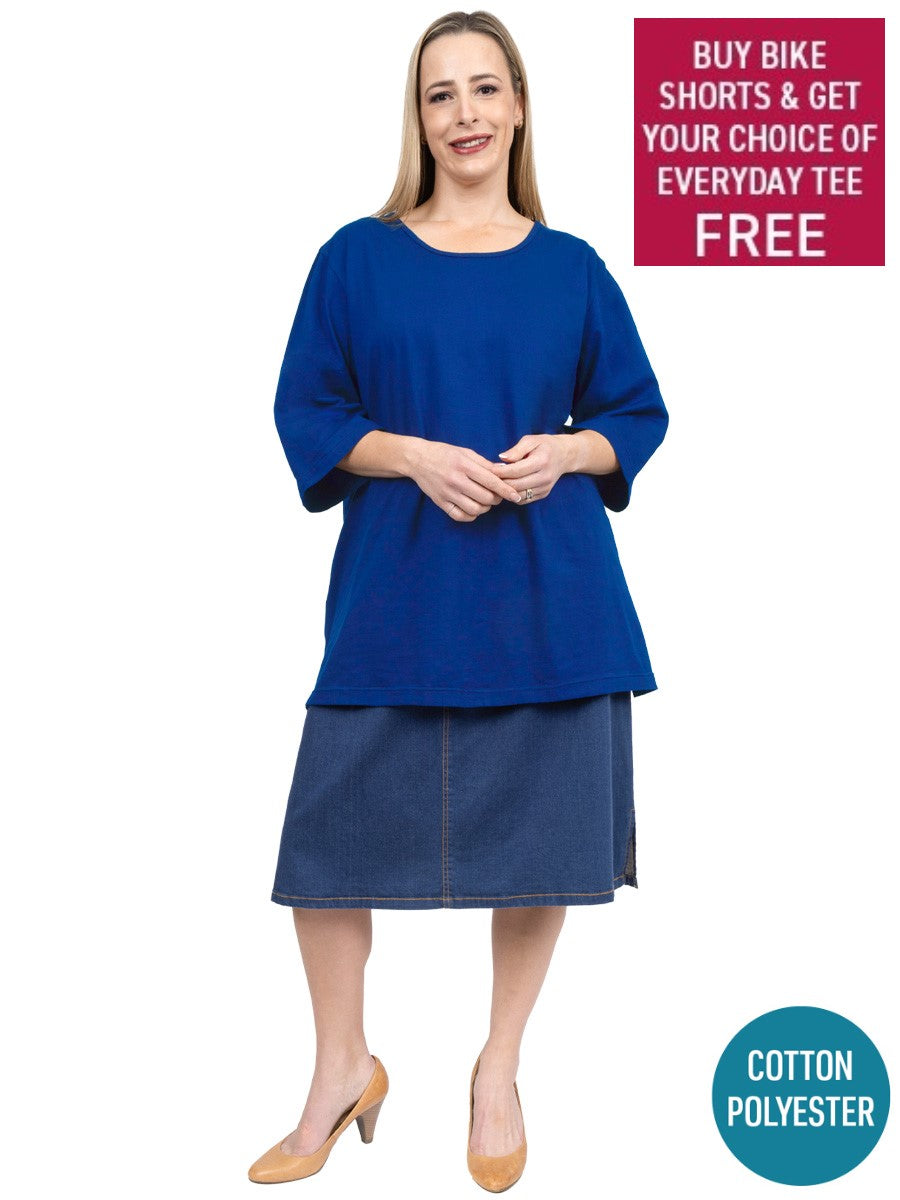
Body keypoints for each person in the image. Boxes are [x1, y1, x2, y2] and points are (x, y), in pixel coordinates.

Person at [249, 9, 668, 1192]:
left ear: (520, 107)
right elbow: (306, 409)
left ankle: (499, 1068)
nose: (466, 113)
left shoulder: (572, 268)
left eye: (487, 89)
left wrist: (569, 451)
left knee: (542, 849)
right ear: (418, 117)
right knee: (325, 846)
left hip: (552, 604)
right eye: (442, 94)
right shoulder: (356, 258)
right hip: (396, 601)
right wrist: (412, 455)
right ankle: (343, 1066)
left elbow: (636, 414)